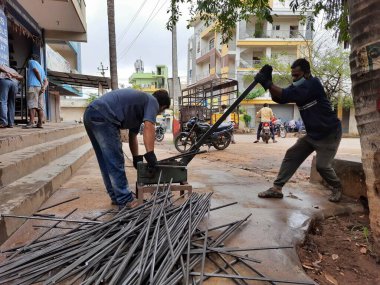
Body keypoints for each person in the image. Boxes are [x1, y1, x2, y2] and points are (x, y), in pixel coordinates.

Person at [254, 58, 342, 202]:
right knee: (292, 154)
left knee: (322, 166)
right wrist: (268, 84)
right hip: (313, 134)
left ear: (306, 73)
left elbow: (286, 95)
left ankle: (337, 187)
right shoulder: (297, 87)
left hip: (329, 133)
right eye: (292, 75)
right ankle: (277, 188)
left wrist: (267, 83)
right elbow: (280, 99)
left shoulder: (313, 84)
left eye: (296, 75)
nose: (293, 78)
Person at [84, 88, 170, 210]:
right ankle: (124, 200)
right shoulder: (152, 101)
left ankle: (116, 196)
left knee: (105, 161)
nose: (157, 113)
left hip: (91, 113)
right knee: (115, 159)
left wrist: (136, 157)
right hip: (104, 114)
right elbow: (149, 126)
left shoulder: (139, 109)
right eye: (160, 111)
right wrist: (150, 154)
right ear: (162, 106)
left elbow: (132, 136)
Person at [24, 54, 48, 129]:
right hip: (40, 88)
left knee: (32, 104)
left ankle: (31, 122)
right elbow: (46, 81)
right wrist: (43, 87)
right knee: (39, 106)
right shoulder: (41, 67)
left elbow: (35, 71)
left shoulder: (31, 61)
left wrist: (41, 83)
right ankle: (40, 123)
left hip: (33, 86)